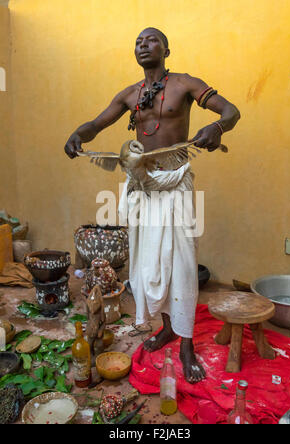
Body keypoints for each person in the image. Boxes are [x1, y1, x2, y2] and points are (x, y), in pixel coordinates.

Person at [65, 27, 240, 383]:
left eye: (151, 40)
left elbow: (231, 111)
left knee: (183, 264)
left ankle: (186, 344)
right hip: (142, 187)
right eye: (138, 42)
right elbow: (96, 124)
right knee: (149, 264)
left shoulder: (186, 84)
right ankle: (167, 328)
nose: (143, 45)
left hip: (176, 184)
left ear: (166, 48)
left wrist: (218, 127)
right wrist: (77, 135)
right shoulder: (131, 94)